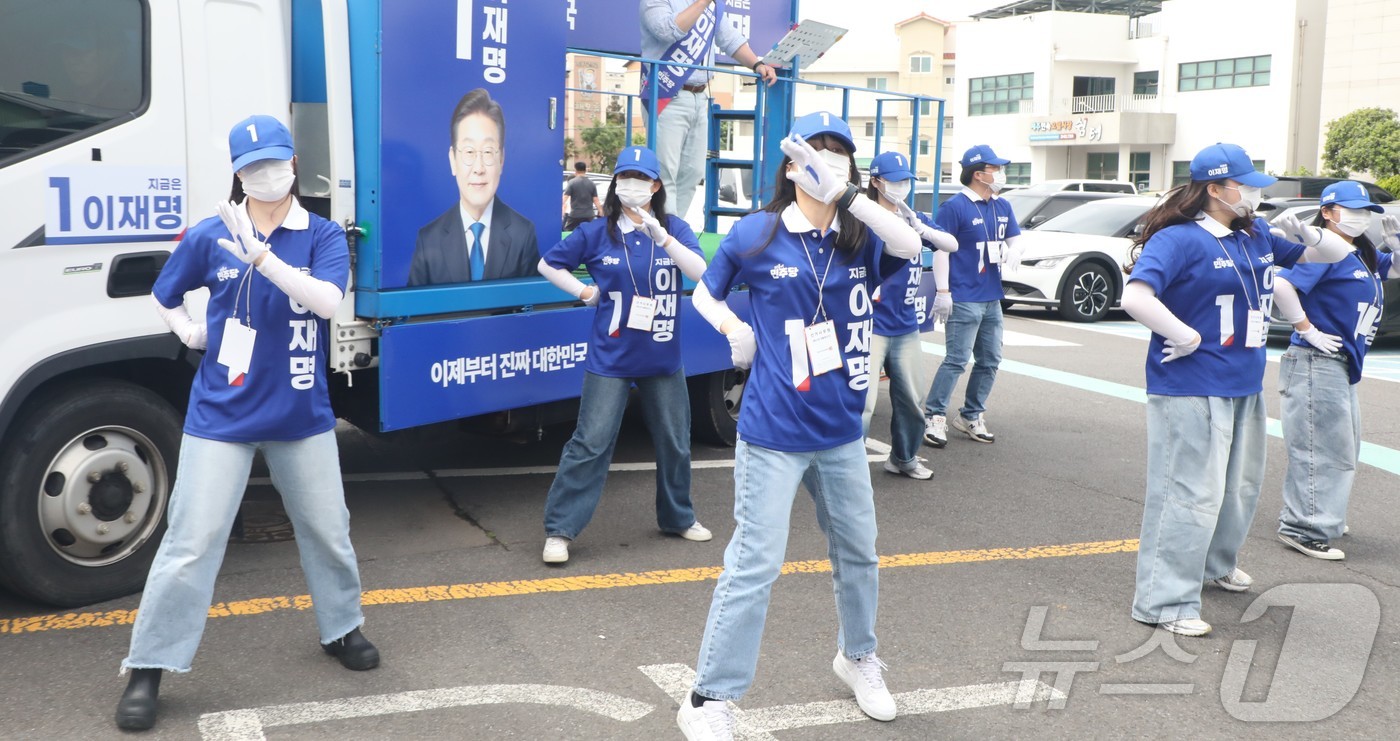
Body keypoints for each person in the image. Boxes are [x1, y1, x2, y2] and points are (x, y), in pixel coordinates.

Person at [115, 116, 377, 730]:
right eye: (255, 165)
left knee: (328, 530)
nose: (268, 173)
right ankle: (148, 666)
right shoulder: (210, 234)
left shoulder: (320, 235)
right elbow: (163, 294)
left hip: (301, 414)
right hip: (221, 414)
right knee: (190, 542)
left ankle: (342, 629)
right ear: (238, 172)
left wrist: (262, 258)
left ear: (293, 162)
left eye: (277, 161)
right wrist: (190, 331)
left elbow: (329, 303)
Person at [679, 112, 922, 740]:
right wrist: (734, 329)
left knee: (859, 553)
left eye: (840, 154)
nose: (828, 162)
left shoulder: (860, 235)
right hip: (772, 430)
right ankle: (708, 698)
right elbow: (706, 293)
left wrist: (846, 197)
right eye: (816, 154)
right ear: (789, 166)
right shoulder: (758, 233)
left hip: (842, 429)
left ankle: (858, 656)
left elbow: (910, 246)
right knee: (754, 565)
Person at [1120, 142, 1351, 637]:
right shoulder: (1179, 239)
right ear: (1214, 189)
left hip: (1244, 381)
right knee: (1187, 494)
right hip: (1190, 383)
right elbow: (1135, 295)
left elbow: (1333, 254)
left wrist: (1312, 232)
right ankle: (1164, 601)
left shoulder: (1255, 234)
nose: (1250, 195)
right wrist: (1182, 334)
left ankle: (1214, 564)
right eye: (1242, 186)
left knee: (1239, 489)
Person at [536, 145, 712, 564]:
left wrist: (662, 237)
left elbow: (703, 274)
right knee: (591, 442)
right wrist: (583, 291)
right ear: (616, 183)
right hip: (611, 357)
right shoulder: (596, 232)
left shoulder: (675, 228)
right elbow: (548, 264)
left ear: (655, 185)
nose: (633, 184)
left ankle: (678, 517)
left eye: (642, 178)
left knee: (674, 440)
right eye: (625, 176)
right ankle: (560, 530)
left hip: (663, 357)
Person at [1273, 183, 1399, 561]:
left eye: (1366, 211)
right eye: (1352, 209)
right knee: (1322, 449)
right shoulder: (1325, 249)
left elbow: (1393, 271)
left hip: (1338, 364)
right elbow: (1282, 283)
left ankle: (1321, 514)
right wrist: (1305, 327)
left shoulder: (1360, 253)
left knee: (1342, 447)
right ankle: (1304, 526)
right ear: (1327, 211)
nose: (1362, 216)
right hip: (1317, 360)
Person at [860, 151, 958, 480]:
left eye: (906, 180)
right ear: (876, 182)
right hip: (869, 324)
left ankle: (903, 458)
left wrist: (922, 229)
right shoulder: (864, 217)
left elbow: (951, 244)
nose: (903, 186)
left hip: (905, 325)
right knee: (863, 403)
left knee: (912, 400)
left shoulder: (912, 217)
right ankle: (847, 468)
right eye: (895, 180)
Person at [921, 144, 1023, 448]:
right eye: (995, 168)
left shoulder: (1001, 205)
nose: (1000, 173)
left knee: (990, 359)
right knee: (956, 359)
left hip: (992, 296)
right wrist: (943, 291)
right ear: (979, 174)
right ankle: (935, 416)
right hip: (964, 295)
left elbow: (1015, 237)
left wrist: (1015, 250)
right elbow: (941, 249)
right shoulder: (955, 207)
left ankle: (971, 414)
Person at [639, 1, 778, 222]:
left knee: (693, 173)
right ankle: (663, 240)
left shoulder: (712, 6)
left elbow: (730, 39)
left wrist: (756, 64)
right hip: (666, 93)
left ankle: (674, 232)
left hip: (700, 95)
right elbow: (666, 30)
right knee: (664, 174)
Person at [409, 88, 539, 285]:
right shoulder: (429, 239)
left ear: (501, 159)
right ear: (453, 160)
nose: (478, 168)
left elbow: (530, 305)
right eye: (469, 152)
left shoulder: (522, 233)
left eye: (488, 152)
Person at [563, 160, 603, 231]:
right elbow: (595, 199)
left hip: (575, 214)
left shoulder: (572, 182)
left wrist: (558, 208)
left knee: (568, 232)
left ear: (575, 170)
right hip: (589, 215)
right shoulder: (591, 183)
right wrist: (600, 210)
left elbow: (565, 197)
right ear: (585, 170)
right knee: (588, 233)